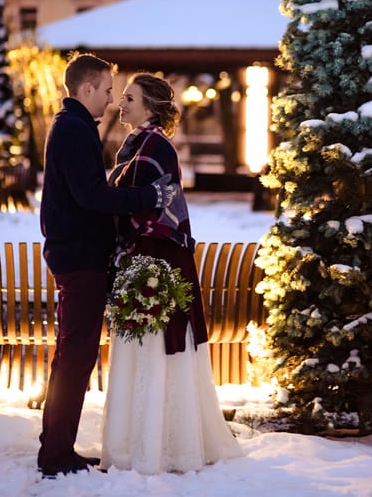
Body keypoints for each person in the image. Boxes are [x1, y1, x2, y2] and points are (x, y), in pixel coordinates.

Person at [37, 53, 178, 477]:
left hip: (78, 256)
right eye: (108, 90)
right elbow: (91, 196)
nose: (112, 100)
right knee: (75, 356)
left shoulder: (75, 128)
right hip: (79, 259)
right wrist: (147, 198)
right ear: (87, 90)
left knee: (74, 356)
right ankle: (56, 454)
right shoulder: (74, 131)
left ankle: (59, 447)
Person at [100, 72, 243, 474]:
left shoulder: (154, 146)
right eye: (122, 96)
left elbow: (153, 209)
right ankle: (138, 439)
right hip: (140, 256)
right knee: (140, 351)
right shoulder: (138, 145)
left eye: (130, 97)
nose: (121, 103)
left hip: (156, 258)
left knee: (155, 349)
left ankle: (164, 444)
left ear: (150, 106)